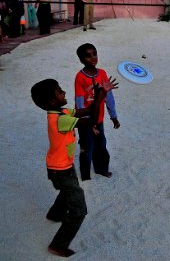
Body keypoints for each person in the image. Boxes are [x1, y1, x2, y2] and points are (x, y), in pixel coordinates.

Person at [30, 77, 118, 257]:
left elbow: (85, 111)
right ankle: (58, 245)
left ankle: (55, 215)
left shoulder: (61, 112)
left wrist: (99, 94)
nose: (63, 92)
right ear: (52, 101)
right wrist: (101, 95)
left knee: (68, 189)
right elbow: (91, 117)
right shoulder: (60, 120)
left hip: (61, 166)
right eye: (59, 91)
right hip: (60, 170)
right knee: (79, 210)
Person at [75, 43, 120, 181]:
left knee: (101, 146)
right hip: (86, 121)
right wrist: (90, 123)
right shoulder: (80, 77)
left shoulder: (102, 74)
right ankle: (85, 174)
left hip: (99, 120)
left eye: (94, 53)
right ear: (81, 59)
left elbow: (109, 97)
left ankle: (101, 169)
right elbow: (79, 103)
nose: (93, 58)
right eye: (88, 56)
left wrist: (113, 116)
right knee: (87, 148)